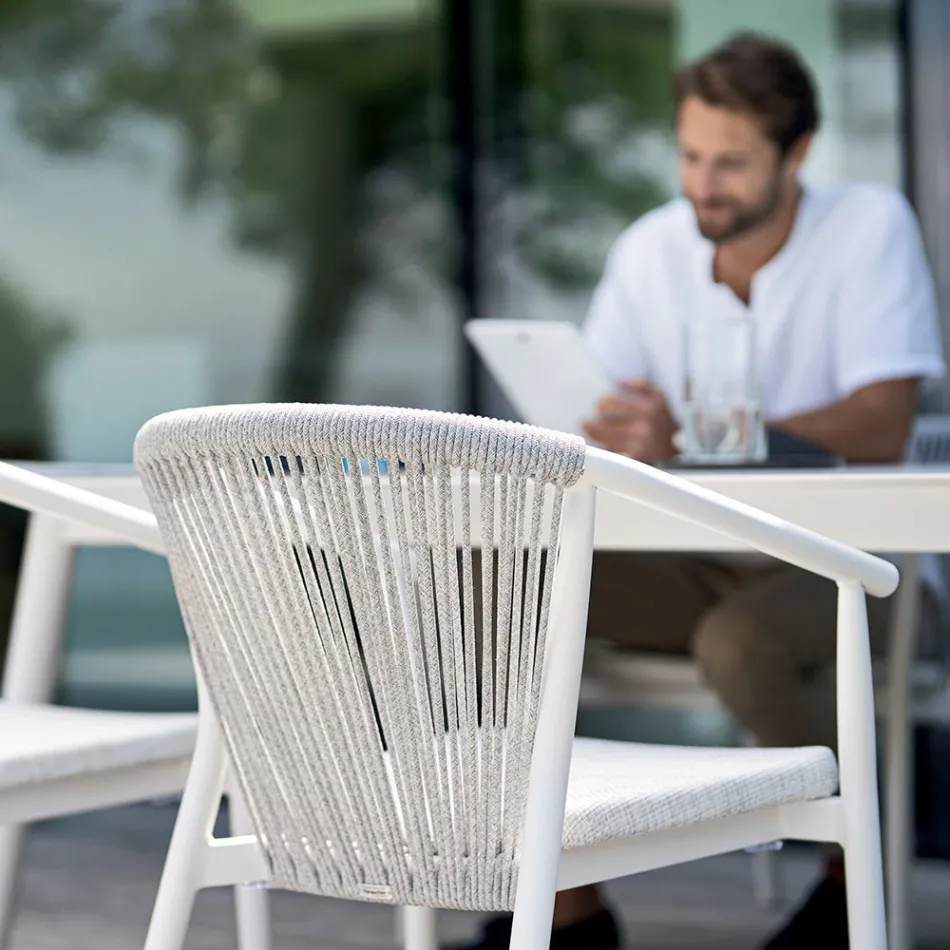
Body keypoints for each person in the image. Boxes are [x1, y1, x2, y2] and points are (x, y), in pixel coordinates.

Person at [458, 31, 946, 950]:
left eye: (732, 162)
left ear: (797, 154)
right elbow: (598, 416)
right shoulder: (651, 249)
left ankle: (851, 894)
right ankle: (570, 912)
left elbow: (883, 423)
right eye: (689, 156)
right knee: (490, 586)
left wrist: (693, 439)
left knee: (743, 642)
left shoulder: (868, 226)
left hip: (858, 568)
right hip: (688, 554)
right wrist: (612, 431)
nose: (703, 183)